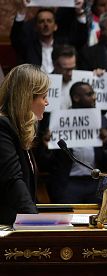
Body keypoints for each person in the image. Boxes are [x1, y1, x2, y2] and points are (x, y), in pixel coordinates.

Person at [0, 64, 48, 226]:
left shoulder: (17, 130)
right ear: (28, 98)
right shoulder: (3, 126)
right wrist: (34, 222)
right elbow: (13, 180)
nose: (46, 103)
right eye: (43, 97)